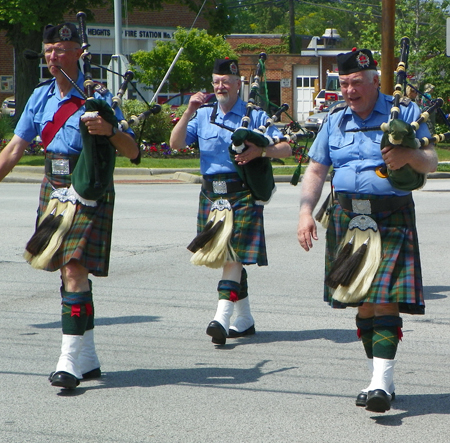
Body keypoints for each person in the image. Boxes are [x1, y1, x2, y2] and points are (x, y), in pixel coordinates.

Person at [297, 48, 438, 413]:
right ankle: (382, 379)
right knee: (362, 305)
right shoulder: (334, 120)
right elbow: (315, 170)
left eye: (356, 83)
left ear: (375, 81)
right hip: (347, 220)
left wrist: (410, 157)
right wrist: (305, 212)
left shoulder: (403, 111)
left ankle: (379, 382)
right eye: (343, 83)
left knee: (384, 298)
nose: (348, 90)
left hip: (390, 217)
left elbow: (431, 160)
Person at [0, 23, 139, 389]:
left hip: (88, 188)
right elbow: (14, 149)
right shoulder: (39, 97)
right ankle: (87, 356)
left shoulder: (99, 98)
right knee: (66, 271)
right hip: (54, 188)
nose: (53, 56)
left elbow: (133, 151)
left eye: (61, 49)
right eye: (49, 49)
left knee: (74, 268)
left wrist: (109, 131)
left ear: (79, 52)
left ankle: (68, 361)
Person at [170, 58, 291, 345]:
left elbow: (285, 148)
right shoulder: (202, 114)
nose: (220, 86)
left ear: (239, 84)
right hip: (212, 194)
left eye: (226, 81)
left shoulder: (255, 115)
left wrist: (260, 153)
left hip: (243, 193)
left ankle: (221, 318)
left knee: (232, 255)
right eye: (216, 81)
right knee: (227, 257)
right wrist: (188, 112)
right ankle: (245, 319)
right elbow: (175, 144)